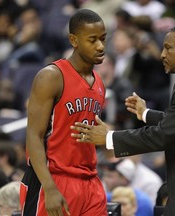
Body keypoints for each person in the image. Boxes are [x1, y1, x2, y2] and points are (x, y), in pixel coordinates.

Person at [71, 25, 175, 215]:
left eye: (168, 48)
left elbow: (164, 135)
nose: (162, 54)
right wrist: (145, 114)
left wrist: (109, 138)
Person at [20, 9, 108, 216]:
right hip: (53, 179)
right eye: (93, 40)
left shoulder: (100, 82)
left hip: (90, 181)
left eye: (103, 39)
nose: (101, 46)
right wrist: (49, 187)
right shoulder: (51, 77)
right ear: (74, 40)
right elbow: (34, 136)